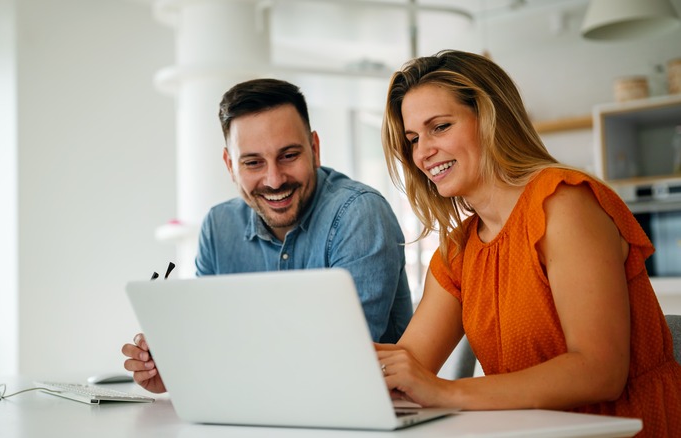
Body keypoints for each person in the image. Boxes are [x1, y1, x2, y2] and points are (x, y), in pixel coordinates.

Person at [376, 49, 681, 437]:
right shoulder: (459, 251)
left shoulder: (564, 205)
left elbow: (600, 371)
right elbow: (410, 363)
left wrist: (447, 392)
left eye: (440, 127)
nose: (422, 152)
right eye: (413, 138)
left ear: (492, 119)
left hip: (622, 429)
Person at [123, 78, 413, 394]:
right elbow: (210, 341)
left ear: (314, 150)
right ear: (230, 165)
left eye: (289, 155)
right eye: (253, 162)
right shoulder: (218, 227)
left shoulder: (359, 214)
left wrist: (211, 363)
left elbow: (344, 361)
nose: (274, 180)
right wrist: (177, 369)